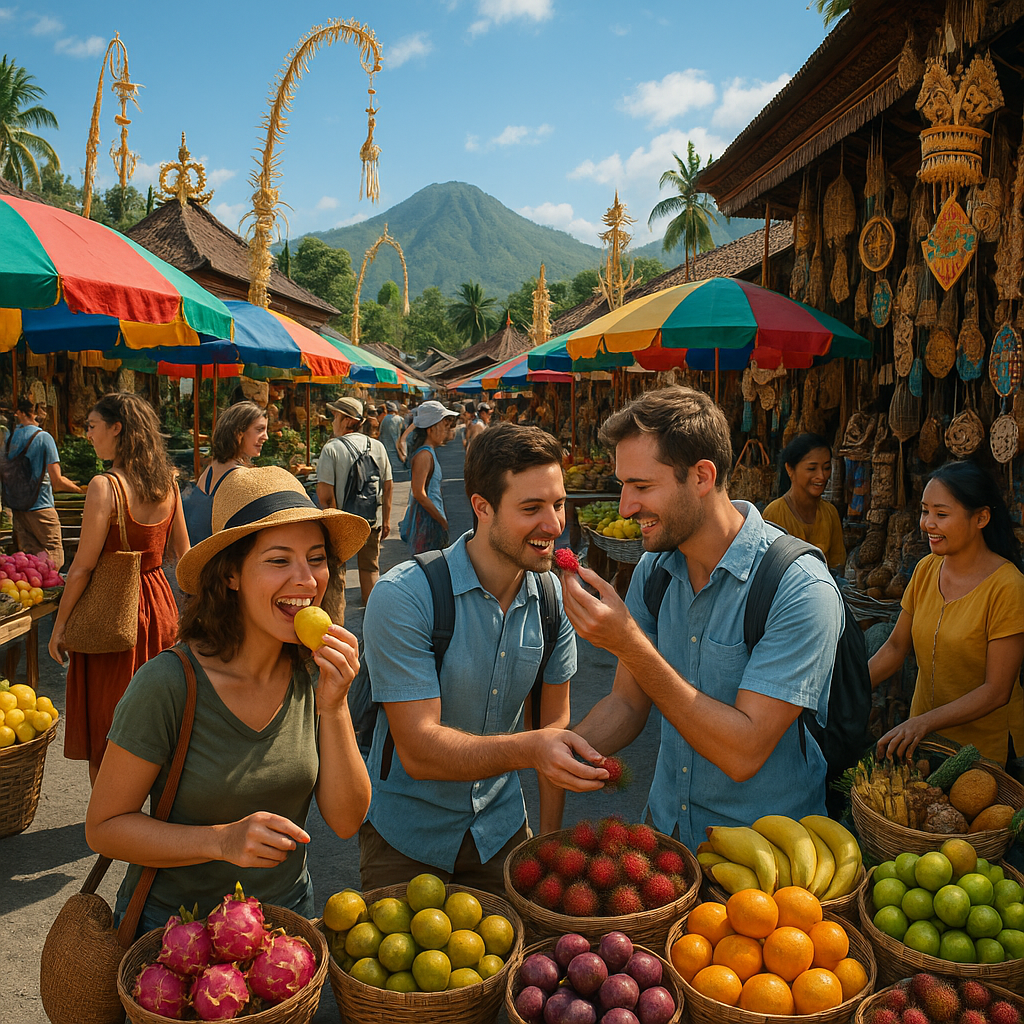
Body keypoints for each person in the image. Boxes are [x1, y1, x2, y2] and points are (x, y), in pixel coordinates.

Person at [84, 466, 372, 933]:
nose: (306, 579)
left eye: (316, 559)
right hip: (175, 943)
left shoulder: (313, 675)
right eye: (279, 560)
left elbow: (346, 820)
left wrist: (334, 705)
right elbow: (104, 826)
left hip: (283, 934)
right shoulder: (168, 684)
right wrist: (221, 841)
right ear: (232, 574)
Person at [562, 386, 844, 851]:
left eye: (642, 486)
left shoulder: (798, 588)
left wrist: (627, 641)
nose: (626, 508)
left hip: (766, 859)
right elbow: (628, 704)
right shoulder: (655, 571)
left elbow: (743, 752)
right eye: (623, 486)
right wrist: (565, 749)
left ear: (702, 476)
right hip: (667, 836)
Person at [360, 423, 605, 891]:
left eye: (558, 503)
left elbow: (553, 729)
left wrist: (549, 843)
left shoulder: (553, 598)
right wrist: (532, 748)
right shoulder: (407, 596)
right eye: (531, 508)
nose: (554, 525)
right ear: (482, 507)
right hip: (407, 843)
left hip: (502, 835)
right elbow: (419, 751)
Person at [49, 393, 191, 785]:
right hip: (159, 604)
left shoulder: (104, 486)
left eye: (93, 426)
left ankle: (109, 825)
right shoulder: (168, 484)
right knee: (159, 715)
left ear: (117, 428)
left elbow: (82, 568)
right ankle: (157, 818)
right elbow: (185, 554)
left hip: (112, 613)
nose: (89, 434)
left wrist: (61, 627)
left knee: (107, 722)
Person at [869, 461, 1024, 765]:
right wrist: (846, 689)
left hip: (984, 755)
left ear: (981, 518)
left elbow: (997, 691)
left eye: (941, 514)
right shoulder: (926, 569)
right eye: (925, 511)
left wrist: (923, 722)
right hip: (925, 745)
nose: (927, 524)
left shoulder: (1008, 587)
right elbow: (896, 647)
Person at [316, 397, 393, 611]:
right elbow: (387, 487)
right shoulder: (377, 446)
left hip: (342, 523)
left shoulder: (331, 449)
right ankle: (373, 617)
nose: (332, 422)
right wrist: (385, 520)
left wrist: (331, 526)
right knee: (370, 569)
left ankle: (337, 624)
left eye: (334, 416)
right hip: (370, 521)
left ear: (344, 419)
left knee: (337, 574)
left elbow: (325, 496)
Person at [6, 398, 82, 570]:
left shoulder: (12, 438)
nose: (45, 413)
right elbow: (57, 481)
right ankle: (53, 593)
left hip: (19, 507)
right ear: (32, 413)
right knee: (54, 556)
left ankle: (36, 594)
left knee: (31, 560)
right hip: (41, 506)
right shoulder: (44, 437)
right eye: (42, 409)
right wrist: (81, 490)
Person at [182, 401, 268, 545]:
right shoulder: (240, 477)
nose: (265, 437)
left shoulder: (210, 470)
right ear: (238, 433)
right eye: (259, 429)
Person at [762, 433, 846, 571]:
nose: (822, 476)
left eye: (826, 468)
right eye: (812, 469)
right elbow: (770, 569)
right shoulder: (775, 513)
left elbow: (837, 564)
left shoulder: (830, 513)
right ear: (790, 469)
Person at [399, 400, 459, 555]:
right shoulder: (424, 455)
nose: (445, 431)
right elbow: (419, 493)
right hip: (427, 522)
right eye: (443, 426)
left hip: (431, 519)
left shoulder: (428, 453)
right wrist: (441, 520)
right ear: (431, 429)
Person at [377, 401, 406, 482]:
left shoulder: (384, 420)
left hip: (386, 450)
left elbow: (381, 434)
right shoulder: (400, 419)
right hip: (397, 452)